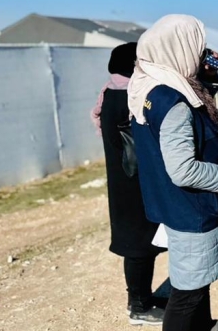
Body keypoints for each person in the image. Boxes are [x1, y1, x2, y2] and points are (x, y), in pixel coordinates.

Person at [128, 14, 218, 331]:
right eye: (196, 46)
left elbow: (195, 105)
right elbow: (182, 169)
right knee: (187, 294)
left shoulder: (147, 86)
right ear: (178, 47)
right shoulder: (175, 102)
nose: (201, 52)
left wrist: (208, 76)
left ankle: (203, 325)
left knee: (194, 282)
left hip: (170, 203)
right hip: (192, 208)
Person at [91, 42, 166, 326]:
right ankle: (139, 306)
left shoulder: (109, 93)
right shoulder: (130, 97)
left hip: (124, 180)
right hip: (134, 181)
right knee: (138, 245)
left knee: (139, 243)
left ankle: (141, 298)